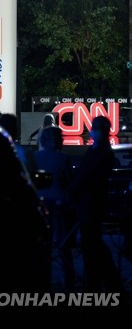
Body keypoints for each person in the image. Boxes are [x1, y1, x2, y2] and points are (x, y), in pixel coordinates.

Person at [68, 116, 123, 293]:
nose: (93, 130)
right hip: (88, 201)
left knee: (93, 244)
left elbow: (88, 176)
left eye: (96, 127)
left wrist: (74, 191)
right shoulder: (99, 149)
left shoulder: (102, 152)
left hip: (91, 202)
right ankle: (100, 281)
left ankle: (102, 282)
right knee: (92, 244)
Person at [34, 125, 75, 290]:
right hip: (60, 205)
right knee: (64, 246)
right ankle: (69, 281)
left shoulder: (34, 157)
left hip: (41, 205)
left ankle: (42, 281)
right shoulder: (63, 159)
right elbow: (70, 182)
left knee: (43, 246)